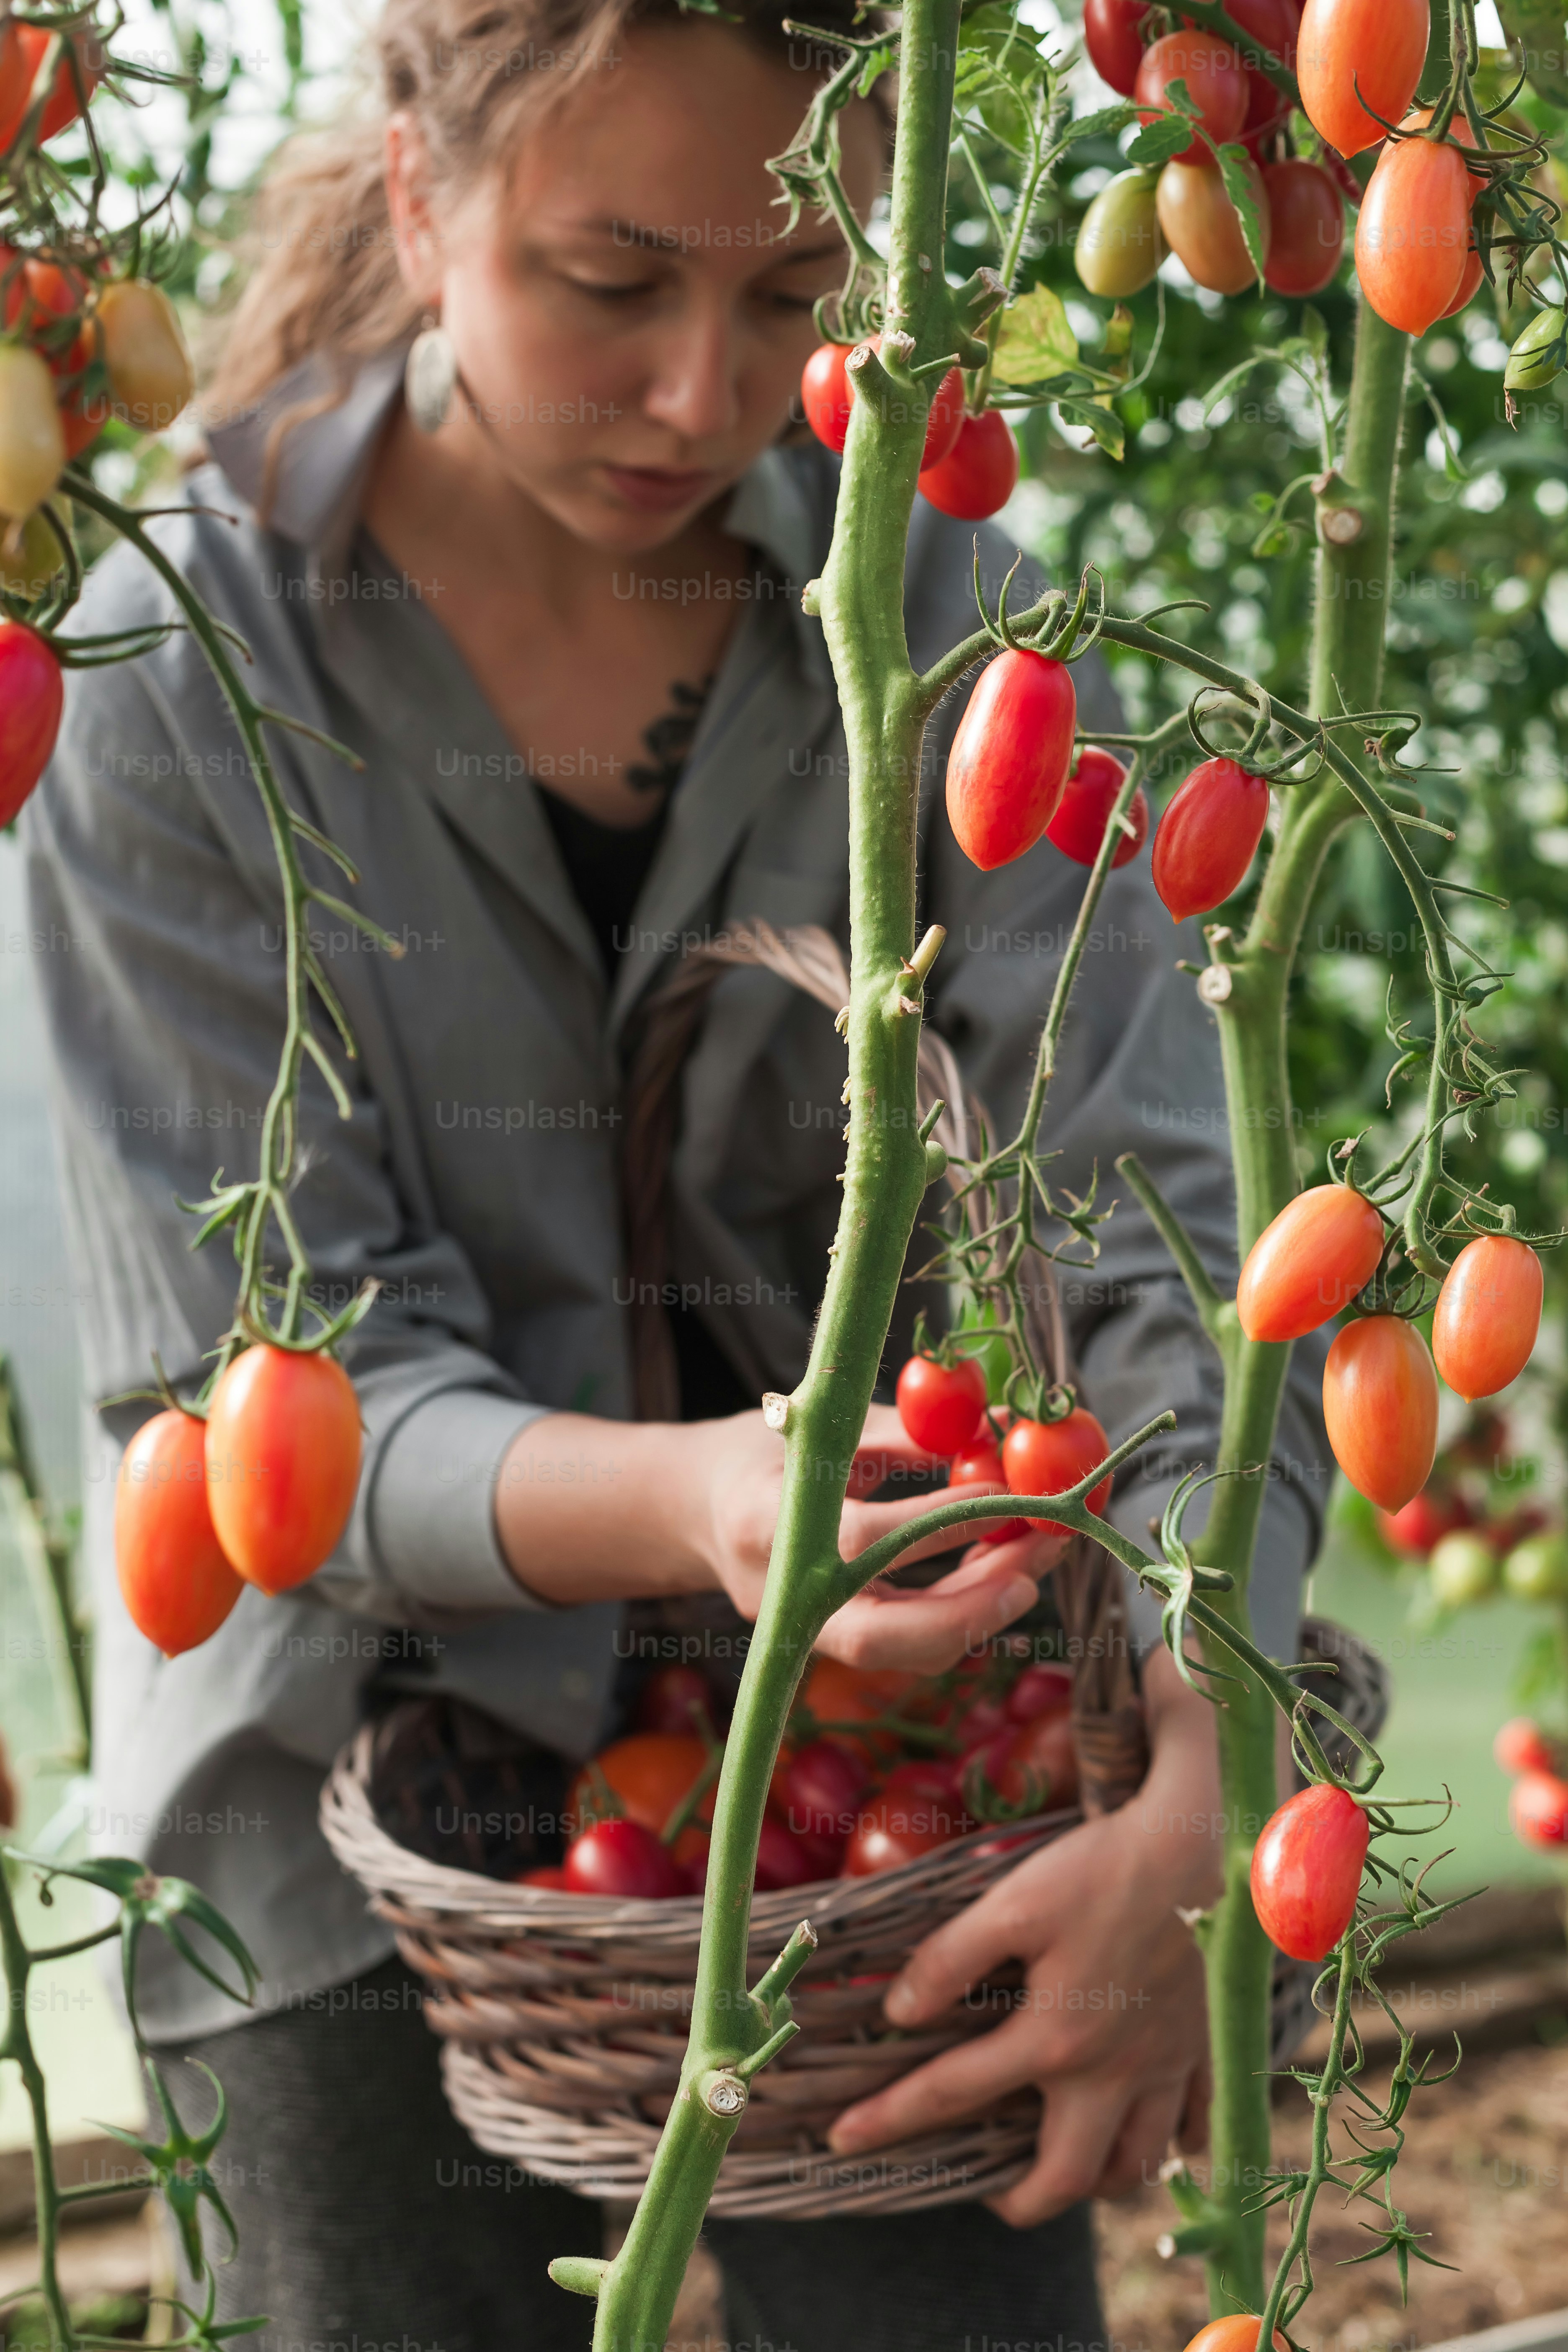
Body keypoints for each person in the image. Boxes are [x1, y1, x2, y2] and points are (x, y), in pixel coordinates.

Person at [24, 1, 1331, 2346]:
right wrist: (723, 1499)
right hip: (340, 1856)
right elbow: (254, 1410)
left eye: (796, 299)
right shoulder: (167, 675)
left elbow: (1179, 1269)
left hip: (914, 1834)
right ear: (420, 192)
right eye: (610, 285)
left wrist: (1206, 1759)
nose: (703, 397)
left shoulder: (965, 643)